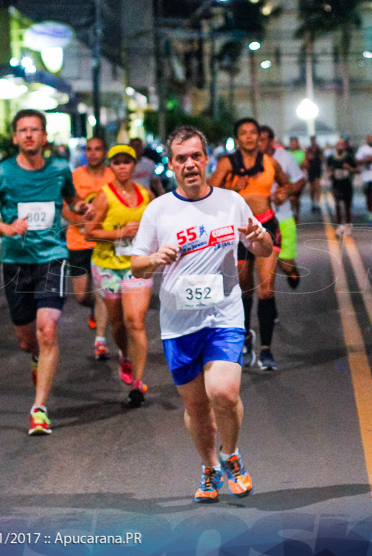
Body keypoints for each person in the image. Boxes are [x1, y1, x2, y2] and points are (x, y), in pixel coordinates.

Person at [131, 125, 274, 503]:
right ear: (171, 165)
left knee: (223, 392)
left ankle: (232, 456)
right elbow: (136, 267)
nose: (190, 164)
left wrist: (260, 239)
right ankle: (210, 467)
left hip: (224, 315)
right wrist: (153, 258)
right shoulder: (158, 210)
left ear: (207, 159)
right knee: (196, 406)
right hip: (179, 323)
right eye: (181, 158)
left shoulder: (231, 202)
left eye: (196, 156)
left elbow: (262, 247)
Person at [0, 109, 93, 436]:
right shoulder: (1, 173)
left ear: (44, 135)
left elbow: (71, 199)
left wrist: (83, 207)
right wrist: (4, 228)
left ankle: (39, 409)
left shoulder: (58, 169)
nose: (28, 135)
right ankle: (37, 359)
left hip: (52, 256)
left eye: (34, 129)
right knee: (27, 341)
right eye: (22, 130)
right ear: (14, 137)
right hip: (15, 260)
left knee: (48, 328)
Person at [208, 118, 289, 370]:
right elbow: (209, 190)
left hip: (266, 225)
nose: (249, 137)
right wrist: (232, 186)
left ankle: (266, 350)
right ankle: (244, 338)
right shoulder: (226, 163)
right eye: (243, 133)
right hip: (237, 230)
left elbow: (286, 183)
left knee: (266, 289)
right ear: (237, 138)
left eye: (253, 132)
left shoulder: (270, 162)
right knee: (243, 288)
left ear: (259, 136)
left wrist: (283, 192)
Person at [85, 144, 154, 407]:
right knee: (117, 323)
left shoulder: (146, 194)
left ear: (135, 165)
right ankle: (125, 354)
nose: (122, 167)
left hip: (136, 265)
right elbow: (89, 232)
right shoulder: (103, 196)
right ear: (110, 166)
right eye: (117, 162)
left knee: (135, 320)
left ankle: (138, 382)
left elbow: (155, 226)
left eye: (127, 162)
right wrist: (119, 233)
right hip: (107, 265)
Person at [63, 137, 113, 358]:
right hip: (78, 241)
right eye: (89, 150)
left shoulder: (112, 177)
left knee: (102, 289)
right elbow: (64, 208)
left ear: (104, 152)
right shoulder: (75, 177)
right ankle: (94, 308)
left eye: (98, 149)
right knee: (82, 295)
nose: (93, 153)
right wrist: (80, 224)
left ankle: (100, 340)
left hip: (104, 242)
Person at [260, 126, 305, 293]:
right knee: (266, 275)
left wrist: (287, 191)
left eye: (263, 139)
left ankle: (289, 268)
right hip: (260, 221)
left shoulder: (284, 158)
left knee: (285, 266)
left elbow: (300, 180)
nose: (259, 143)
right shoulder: (247, 161)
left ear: (272, 141)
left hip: (283, 217)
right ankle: (270, 315)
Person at [327, 137, 356, 235]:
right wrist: (330, 173)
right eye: (338, 144)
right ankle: (339, 225)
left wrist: (350, 168)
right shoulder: (331, 157)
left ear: (345, 146)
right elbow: (328, 169)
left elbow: (358, 169)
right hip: (336, 183)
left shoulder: (349, 157)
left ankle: (348, 225)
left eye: (342, 144)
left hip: (346, 182)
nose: (340, 146)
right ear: (335, 146)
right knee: (337, 204)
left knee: (347, 205)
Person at [286, 137, 306, 223]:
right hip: (287, 180)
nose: (293, 144)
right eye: (292, 143)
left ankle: (296, 214)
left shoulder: (301, 153)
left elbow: (305, 164)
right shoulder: (286, 153)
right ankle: (291, 214)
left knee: (296, 198)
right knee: (290, 198)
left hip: (297, 180)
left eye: (295, 143)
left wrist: (299, 166)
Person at [304, 137, 324, 213]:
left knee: (317, 187)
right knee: (312, 188)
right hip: (311, 170)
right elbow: (306, 159)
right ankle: (313, 203)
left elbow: (322, 158)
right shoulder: (308, 149)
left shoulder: (318, 149)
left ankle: (317, 204)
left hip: (317, 169)